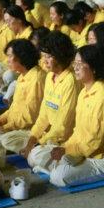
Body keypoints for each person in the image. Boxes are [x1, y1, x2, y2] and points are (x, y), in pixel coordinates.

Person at [28, 43, 104, 186]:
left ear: (93, 68)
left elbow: (95, 139)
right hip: (82, 150)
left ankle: (58, 170)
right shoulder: (84, 92)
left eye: (80, 64)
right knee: (35, 155)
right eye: (75, 63)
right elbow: (78, 132)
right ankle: (61, 166)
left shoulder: (103, 95)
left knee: (59, 177)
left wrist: (68, 151)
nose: (75, 67)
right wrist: (65, 147)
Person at [19, 32, 80, 164]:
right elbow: (44, 114)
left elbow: (63, 125)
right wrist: (33, 138)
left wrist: (40, 142)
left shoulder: (70, 80)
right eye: (43, 56)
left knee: (35, 156)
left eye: (49, 56)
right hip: (51, 135)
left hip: (65, 137)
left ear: (60, 56)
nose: (44, 61)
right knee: (9, 140)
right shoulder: (49, 76)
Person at [0, 39, 46, 156]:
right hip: (14, 126)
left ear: (21, 57)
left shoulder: (37, 79)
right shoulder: (21, 77)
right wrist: (0, 120)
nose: (7, 60)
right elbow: (14, 108)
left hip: (28, 130)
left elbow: (30, 116)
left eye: (9, 56)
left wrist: (6, 127)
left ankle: (34, 147)